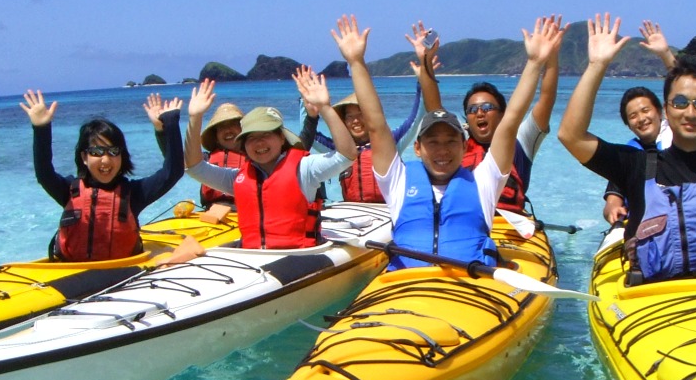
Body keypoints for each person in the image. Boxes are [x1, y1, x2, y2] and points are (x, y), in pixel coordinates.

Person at [556, 14, 696, 291]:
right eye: (680, 102)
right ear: (667, 110)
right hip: (651, 297)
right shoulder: (635, 167)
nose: (690, 112)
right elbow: (570, 135)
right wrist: (597, 65)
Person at [332, 13, 564, 268]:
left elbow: (510, 123)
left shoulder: (484, 182)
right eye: (433, 142)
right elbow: (376, 126)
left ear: (463, 146)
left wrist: (535, 63)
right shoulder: (398, 182)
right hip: (405, 287)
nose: (442, 149)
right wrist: (356, 62)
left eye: (450, 141)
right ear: (418, 149)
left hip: (468, 287)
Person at [184, 66, 355, 249]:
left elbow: (347, 155)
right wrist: (195, 118)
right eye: (251, 138)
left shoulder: (304, 169)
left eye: (266, 135)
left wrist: (325, 107)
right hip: (253, 256)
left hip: (299, 255)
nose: (259, 143)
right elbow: (195, 168)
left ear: (281, 138)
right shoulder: (238, 178)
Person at [21, 89, 195, 263]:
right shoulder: (69, 191)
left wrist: (167, 127)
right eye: (96, 152)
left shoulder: (133, 194)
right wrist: (41, 128)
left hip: (122, 272)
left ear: (122, 156)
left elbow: (173, 171)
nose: (105, 160)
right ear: (84, 157)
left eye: (113, 151)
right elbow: (44, 173)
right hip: (72, 273)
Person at [417, 23, 561, 214]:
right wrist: (426, 59)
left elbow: (546, 98)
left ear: (503, 114)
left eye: (487, 107)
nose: (479, 113)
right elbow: (433, 107)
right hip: (463, 218)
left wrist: (550, 58)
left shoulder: (522, 140)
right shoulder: (460, 141)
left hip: (509, 222)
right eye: (472, 109)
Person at [313, 21, 431, 202]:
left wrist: (423, 78)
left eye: (361, 114)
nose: (356, 121)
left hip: (384, 214)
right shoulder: (339, 150)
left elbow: (416, 117)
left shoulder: (391, 143)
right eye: (350, 117)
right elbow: (309, 135)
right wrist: (308, 105)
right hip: (351, 215)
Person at [599, 22, 677, 224]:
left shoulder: (677, 134)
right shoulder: (628, 155)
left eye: (645, 110)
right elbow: (613, 198)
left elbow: (682, 90)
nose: (641, 119)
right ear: (628, 124)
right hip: (644, 225)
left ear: (661, 112)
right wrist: (613, 210)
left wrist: (666, 54)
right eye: (633, 116)